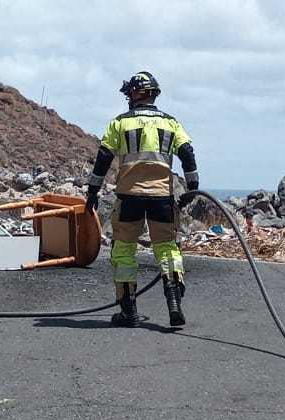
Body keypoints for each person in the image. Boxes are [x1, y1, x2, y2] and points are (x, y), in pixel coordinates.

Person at [83, 71, 200, 328]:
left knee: (124, 250)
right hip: (162, 197)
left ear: (135, 93)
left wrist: (92, 192)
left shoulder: (120, 123)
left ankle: (129, 311)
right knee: (168, 248)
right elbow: (187, 153)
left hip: (129, 196)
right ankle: (174, 303)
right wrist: (192, 186)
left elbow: (104, 158)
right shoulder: (170, 122)